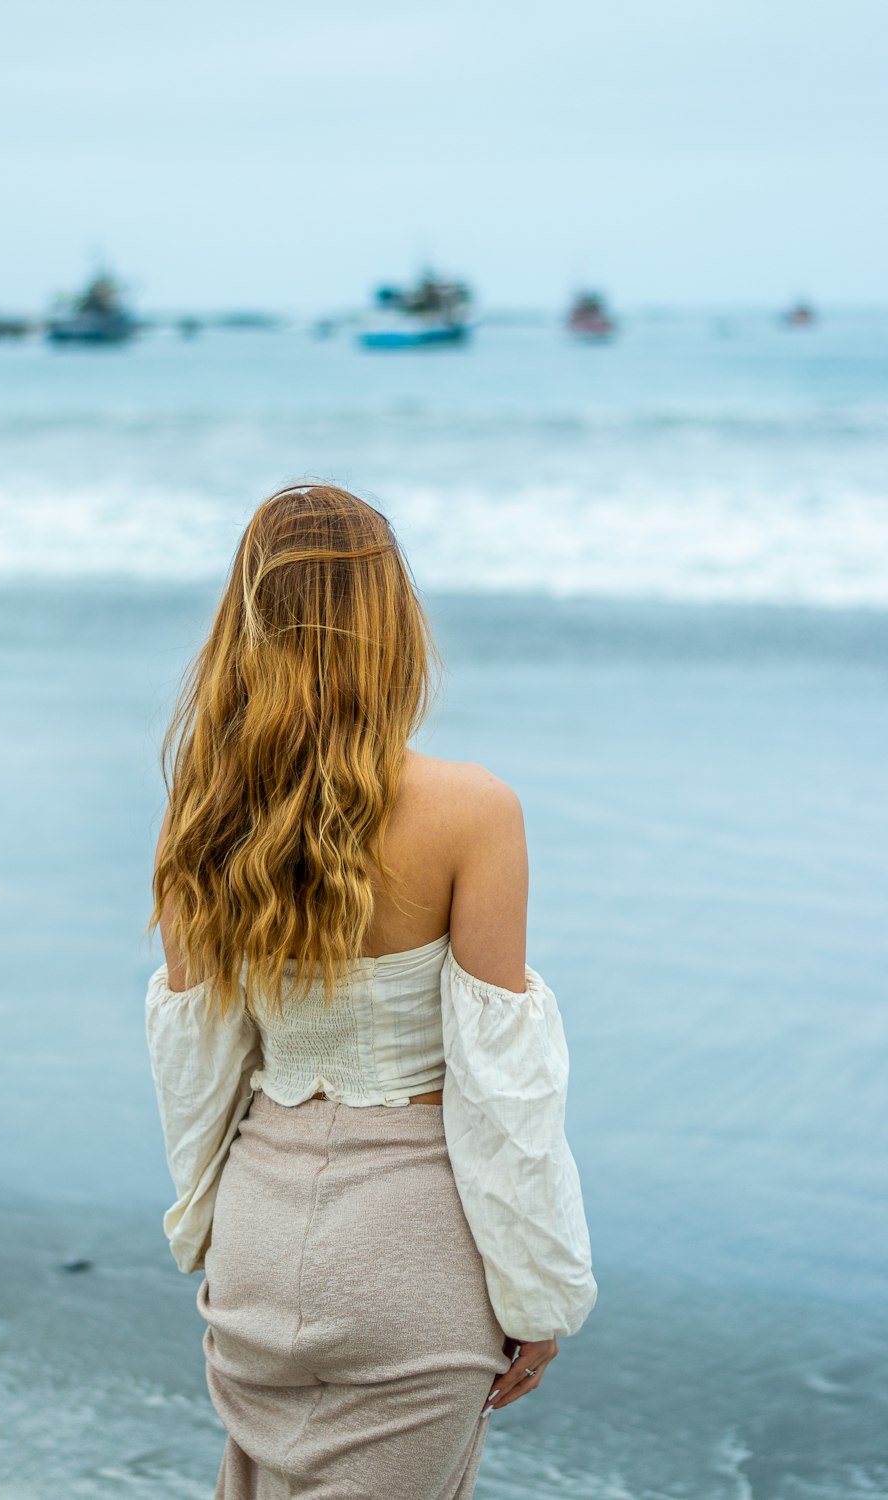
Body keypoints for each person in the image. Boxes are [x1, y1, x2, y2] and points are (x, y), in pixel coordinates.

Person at [145, 483, 597, 1499]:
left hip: (258, 1238)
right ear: (392, 625)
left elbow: (195, 1066)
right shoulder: (471, 811)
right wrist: (537, 1291)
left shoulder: (203, 813)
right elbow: (504, 1086)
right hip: (412, 1253)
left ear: (245, 620)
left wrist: (210, 1232)